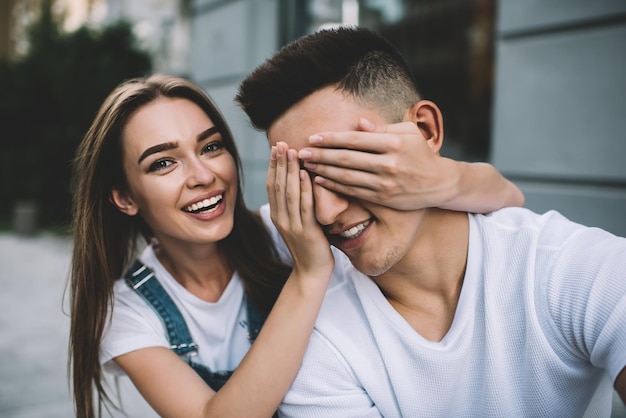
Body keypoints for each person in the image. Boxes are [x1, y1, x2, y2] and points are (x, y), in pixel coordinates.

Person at [68, 74, 522, 418]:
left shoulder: (283, 230)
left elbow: (507, 196)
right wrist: (308, 275)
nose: (203, 175)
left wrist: (438, 177)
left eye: (210, 147)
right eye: (163, 162)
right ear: (125, 197)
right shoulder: (128, 314)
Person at [235, 26, 626, 417]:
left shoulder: (570, 268)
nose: (326, 211)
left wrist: (453, 178)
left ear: (425, 131)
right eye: (301, 181)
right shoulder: (312, 338)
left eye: (346, 167)